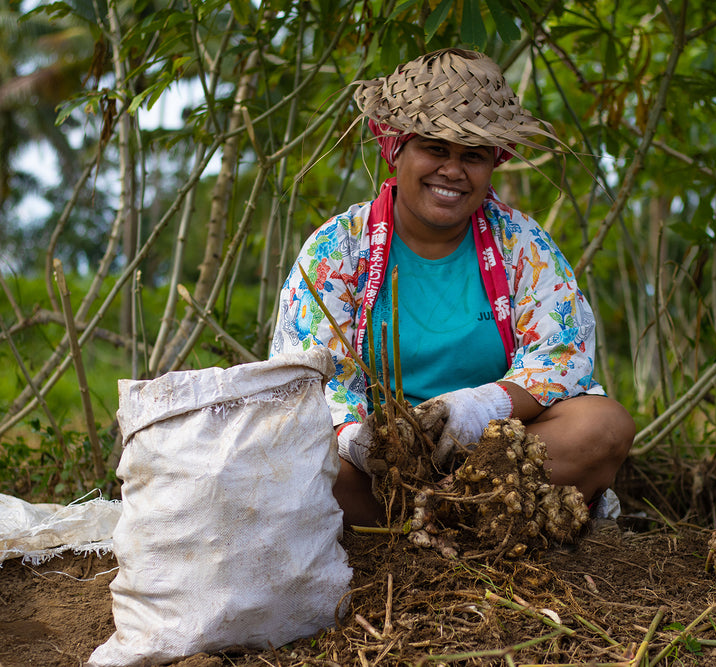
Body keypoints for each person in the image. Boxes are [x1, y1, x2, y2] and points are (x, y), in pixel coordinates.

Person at [271, 48, 635, 526]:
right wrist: (360, 442)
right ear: (394, 148)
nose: (453, 171)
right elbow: (308, 376)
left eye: (473, 156)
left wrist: (480, 407)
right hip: (379, 473)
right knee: (301, 463)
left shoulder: (521, 244)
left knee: (603, 426)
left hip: (497, 462)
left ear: (493, 165)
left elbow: (561, 356)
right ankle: (463, 523)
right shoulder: (338, 250)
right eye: (435, 149)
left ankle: (442, 521)